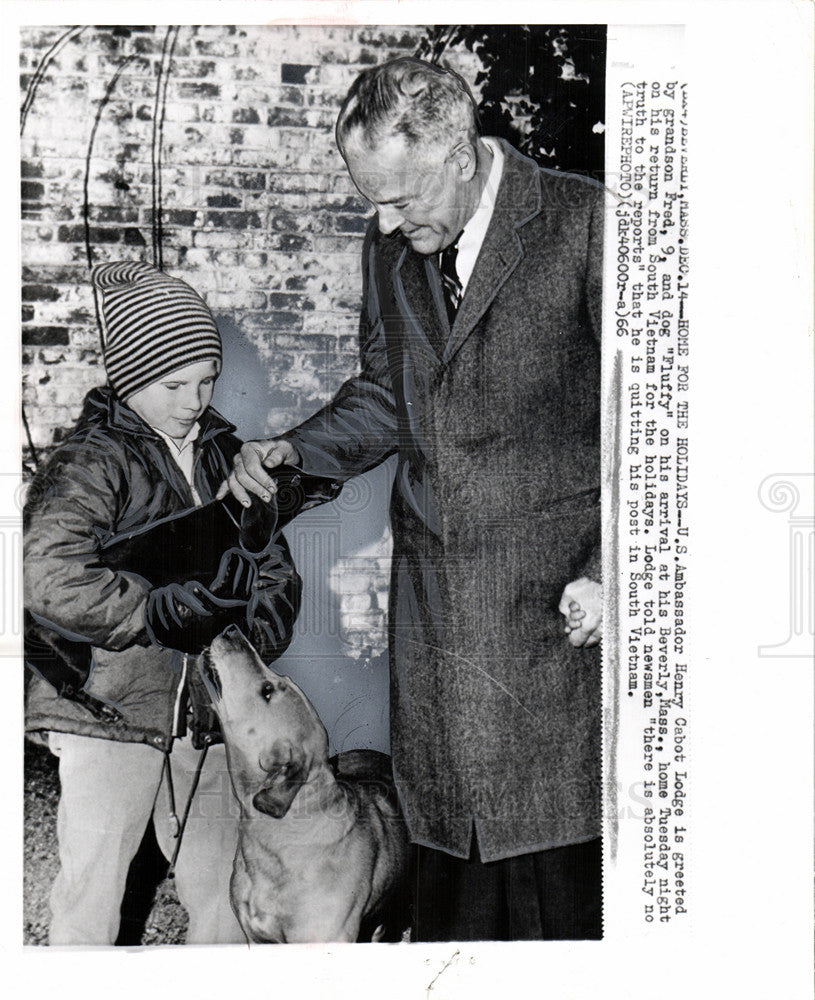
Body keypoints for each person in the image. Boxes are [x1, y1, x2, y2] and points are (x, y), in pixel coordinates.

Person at [220, 57, 604, 940]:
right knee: (450, 913)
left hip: (559, 629)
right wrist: (296, 448)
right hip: (438, 644)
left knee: (557, 902)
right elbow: (388, 393)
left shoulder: (589, 226)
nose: (386, 223)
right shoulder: (391, 242)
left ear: (460, 154)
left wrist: (614, 572)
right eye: (372, 203)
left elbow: (666, 423)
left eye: (399, 199)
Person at [24, 260, 310, 946]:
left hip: (207, 711)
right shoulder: (91, 462)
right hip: (108, 709)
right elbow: (45, 573)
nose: (193, 399)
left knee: (223, 889)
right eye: (173, 384)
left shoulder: (225, 455)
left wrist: (255, 630)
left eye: (206, 380)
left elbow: (271, 562)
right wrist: (151, 610)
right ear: (128, 376)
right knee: (95, 887)